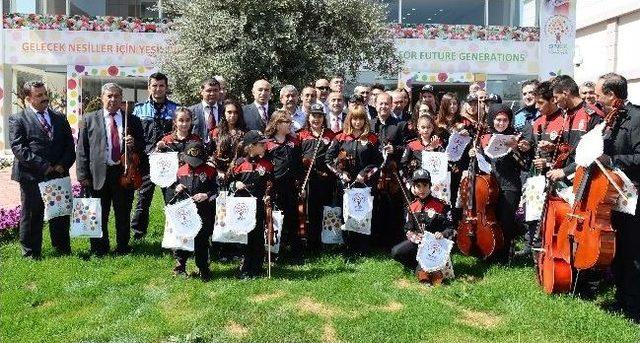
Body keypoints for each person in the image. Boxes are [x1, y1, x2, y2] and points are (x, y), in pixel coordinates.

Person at [9, 80, 75, 259]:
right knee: (32, 213)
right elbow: (19, 148)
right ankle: (31, 253)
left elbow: (69, 145)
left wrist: (62, 164)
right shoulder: (18, 119)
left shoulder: (60, 117)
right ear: (28, 98)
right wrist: (44, 166)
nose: (45, 98)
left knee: (60, 212)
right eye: (39, 95)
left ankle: (61, 248)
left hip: (58, 173)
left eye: (45, 94)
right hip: (32, 175)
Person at [76, 83, 145, 256]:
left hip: (123, 173)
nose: (113, 99)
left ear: (122, 98)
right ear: (102, 98)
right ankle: (100, 248)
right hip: (98, 174)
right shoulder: (89, 119)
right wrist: (83, 175)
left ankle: (122, 246)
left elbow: (142, 146)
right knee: (99, 213)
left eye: (117, 96)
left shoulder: (132, 119)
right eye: (109, 96)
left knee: (123, 212)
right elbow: (82, 149)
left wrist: (134, 144)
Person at [596, 73, 640, 322]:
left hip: (634, 196)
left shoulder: (636, 118)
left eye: (600, 94)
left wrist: (613, 160)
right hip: (615, 194)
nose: (597, 99)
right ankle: (622, 299)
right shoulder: (612, 119)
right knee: (619, 250)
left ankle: (634, 308)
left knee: (633, 252)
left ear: (612, 95)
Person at [326, 105, 382, 258]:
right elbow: (328, 160)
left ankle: (363, 248)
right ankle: (347, 248)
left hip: (364, 185)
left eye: (361, 119)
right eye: (355, 118)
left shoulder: (372, 138)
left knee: (364, 214)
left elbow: (379, 162)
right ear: (349, 119)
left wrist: (365, 174)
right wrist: (340, 173)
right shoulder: (340, 137)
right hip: (345, 186)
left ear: (365, 120)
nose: (357, 122)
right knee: (346, 215)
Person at [478, 104, 530, 263]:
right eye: (498, 120)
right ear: (492, 120)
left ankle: (504, 256)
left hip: (510, 185)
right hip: (489, 185)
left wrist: (515, 149)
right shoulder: (484, 137)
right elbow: (481, 161)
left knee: (506, 222)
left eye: (505, 120)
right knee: (490, 220)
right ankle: (488, 251)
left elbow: (524, 165)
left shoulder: (517, 137)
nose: (501, 123)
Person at [131, 72, 179, 240]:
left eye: (161, 86)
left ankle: (175, 233)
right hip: (146, 162)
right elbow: (134, 135)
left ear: (166, 88)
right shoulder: (138, 109)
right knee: (143, 200)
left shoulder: (176, 109)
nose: (158, 89)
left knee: (172, 198)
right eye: (154, 86)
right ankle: (138, 234)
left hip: (169, 162)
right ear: (149, 87)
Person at [164, 141, 217, 281]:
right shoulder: (180, 171)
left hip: (203, 211)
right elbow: (170, 189)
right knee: (183, 238)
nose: (193, 164)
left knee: (202, 240)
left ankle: (203, 267)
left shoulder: (210, 171)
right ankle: (180, 265)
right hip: (184, 212)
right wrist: (177, 188)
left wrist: (206, 195)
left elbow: (216, 191)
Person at [390, 169, 454, 285]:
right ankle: (417, 266)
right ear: (413, 188)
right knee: (395, 252)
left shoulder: (442, 205)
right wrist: (416, 238)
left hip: (436, 246)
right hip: (418, 244)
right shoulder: (411, 207)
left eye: (425, 185)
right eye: (418, 186)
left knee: (431, 279)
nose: (422, 189)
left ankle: (426, 269)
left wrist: (442, 234)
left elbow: (451, 229)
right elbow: (407, 230)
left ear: (430, 186)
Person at [229, 131, 274, 279]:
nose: (264, 146)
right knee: (246, 236)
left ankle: (257, 267)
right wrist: (236, 183)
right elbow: (227, 182)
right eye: (261, 144)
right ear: (251, 146)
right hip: (243, 208)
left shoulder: (266, 164)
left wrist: (269, 194)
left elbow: (271, 183)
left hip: (260, 205)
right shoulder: (239, 164)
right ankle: (244, 268)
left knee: (258, 236)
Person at [264, 110, 303, 261]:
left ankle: (295, 253)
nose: (290, 125)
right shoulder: (267, 144)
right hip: (274, 187)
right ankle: (272, 252)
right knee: (273, 220)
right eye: (287, 122)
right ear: (277, 124)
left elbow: (299, 166)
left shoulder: (294, 143)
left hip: (291, 187)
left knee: (293, 219)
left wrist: (300, 185)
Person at [546, 75, 602, 183]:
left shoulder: (592, 115)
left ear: (565, 93)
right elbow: (570, 148)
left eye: (556, 97)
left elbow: (593, 153)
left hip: (586, 178)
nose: (555, 102)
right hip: (567, 177)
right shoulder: (566, 115)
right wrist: (553, 147)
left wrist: (565, 171)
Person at [297, 104, 337, 254]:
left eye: (320, 116)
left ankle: (325, 243)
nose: (316, 119)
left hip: (325, 179)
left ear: (323, 118)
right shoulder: (301, 135)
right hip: (307, 180)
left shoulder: (330, 135)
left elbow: (335, 156)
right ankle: (309, 243)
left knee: (324, 211)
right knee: (309, 212)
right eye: (314, 115)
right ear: (309, 117)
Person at [209, 99, 248, 187]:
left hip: (239, 176)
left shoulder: (245, 133)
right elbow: (209, 154)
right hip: (218, 176)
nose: (232, 115)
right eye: (229, 112)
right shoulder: (215, 132)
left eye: (235, 112)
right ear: (224, 113)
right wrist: (218, 171)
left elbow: (247, 155)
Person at [190, 78, 223, 145]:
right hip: (197, 150)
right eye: (209, 90)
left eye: (215, 90)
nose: (212, 93)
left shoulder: (225, 110)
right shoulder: (191, 111)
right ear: (201, 91)